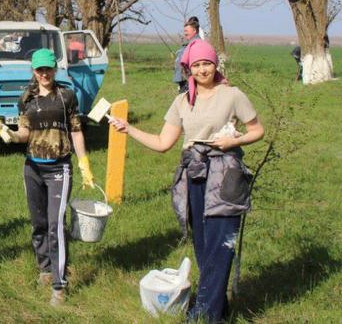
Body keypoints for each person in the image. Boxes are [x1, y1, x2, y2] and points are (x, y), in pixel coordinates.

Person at [108, 39, 264, 322]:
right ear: (188, 69)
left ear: (216, 65)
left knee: (221, 244)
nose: (203, 70)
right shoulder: (182, 101)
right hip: (195, 175)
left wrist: (234, 140)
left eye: (207, 63)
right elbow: (162, 142)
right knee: (204, 246)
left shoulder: (232, 95)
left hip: (226, 175)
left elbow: (257, 129)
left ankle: (204, 315)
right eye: (196, 65)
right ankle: (219, 308)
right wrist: (128, 129)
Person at [0, 48, 95, 306]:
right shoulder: (27, 97)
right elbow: (25, 133)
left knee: (56, 226)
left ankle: (59, 284)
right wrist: (8, 134)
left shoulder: (66, 96)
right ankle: (45, 269)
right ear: (33, 70)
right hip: (32, 168)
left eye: (48, 68)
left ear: (55, 69)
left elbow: (76, 131)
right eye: (39, 69)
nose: (44, 73)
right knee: (39, 224)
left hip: (59, 168)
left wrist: (84, 162)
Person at [174, 17, 202, 93]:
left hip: (190, 82)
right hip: (184, 81)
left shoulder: (197, 45)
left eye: (187, 31)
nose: (185, 33)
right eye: (184, 31)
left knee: (189, 103)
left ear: (194, 31)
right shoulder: (190, 44)